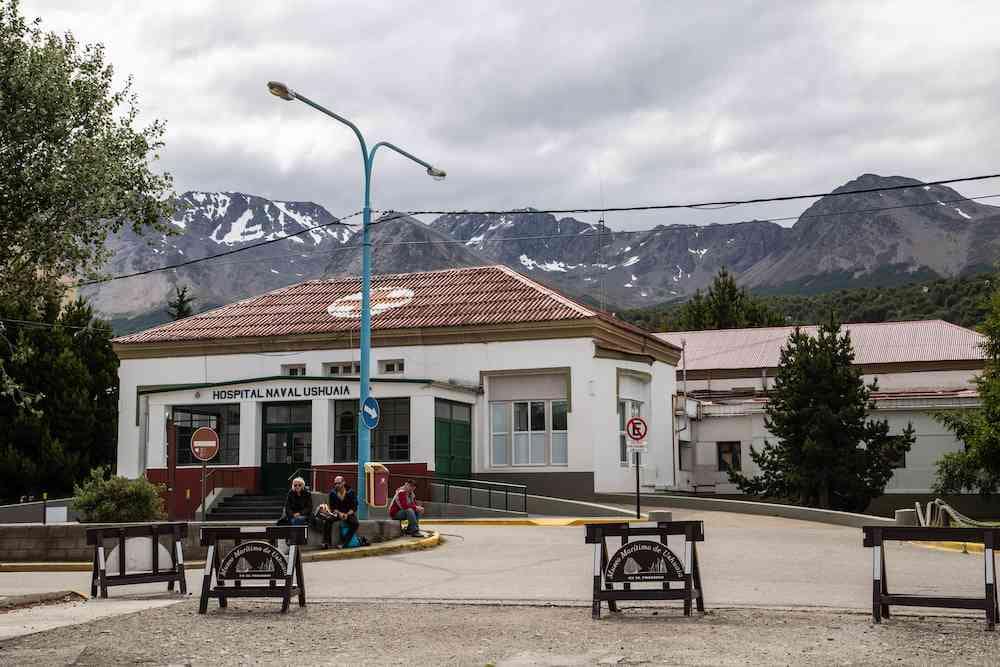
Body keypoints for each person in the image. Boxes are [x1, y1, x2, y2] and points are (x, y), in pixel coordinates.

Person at [317, 475, 359, 549]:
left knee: (355, 523)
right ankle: (327, 542)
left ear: (343, 483)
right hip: (337, 513)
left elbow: (354, 507)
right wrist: (339, 513)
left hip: (348, 513)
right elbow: (333, 508)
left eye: (339, 483)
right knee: (328, 520)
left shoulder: (351, 492)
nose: (337, 485)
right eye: (335, 483)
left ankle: (344, 542)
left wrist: (347, 514)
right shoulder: (332, 493)